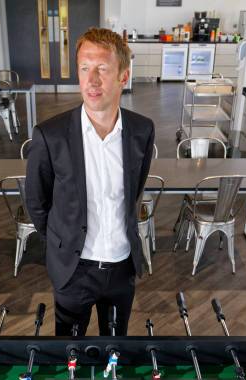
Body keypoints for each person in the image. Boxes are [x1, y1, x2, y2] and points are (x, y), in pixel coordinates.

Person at [26, 28, 155, 336]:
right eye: (84, 68)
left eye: (102, 69)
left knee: (115, 349)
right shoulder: (50, 134)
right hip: (74, 271)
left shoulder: (142, 131)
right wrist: (62, 241)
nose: (91, 80)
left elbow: (133, 193)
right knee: (70, 356)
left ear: (123, 76)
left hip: (122, 269)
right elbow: (36, 201)